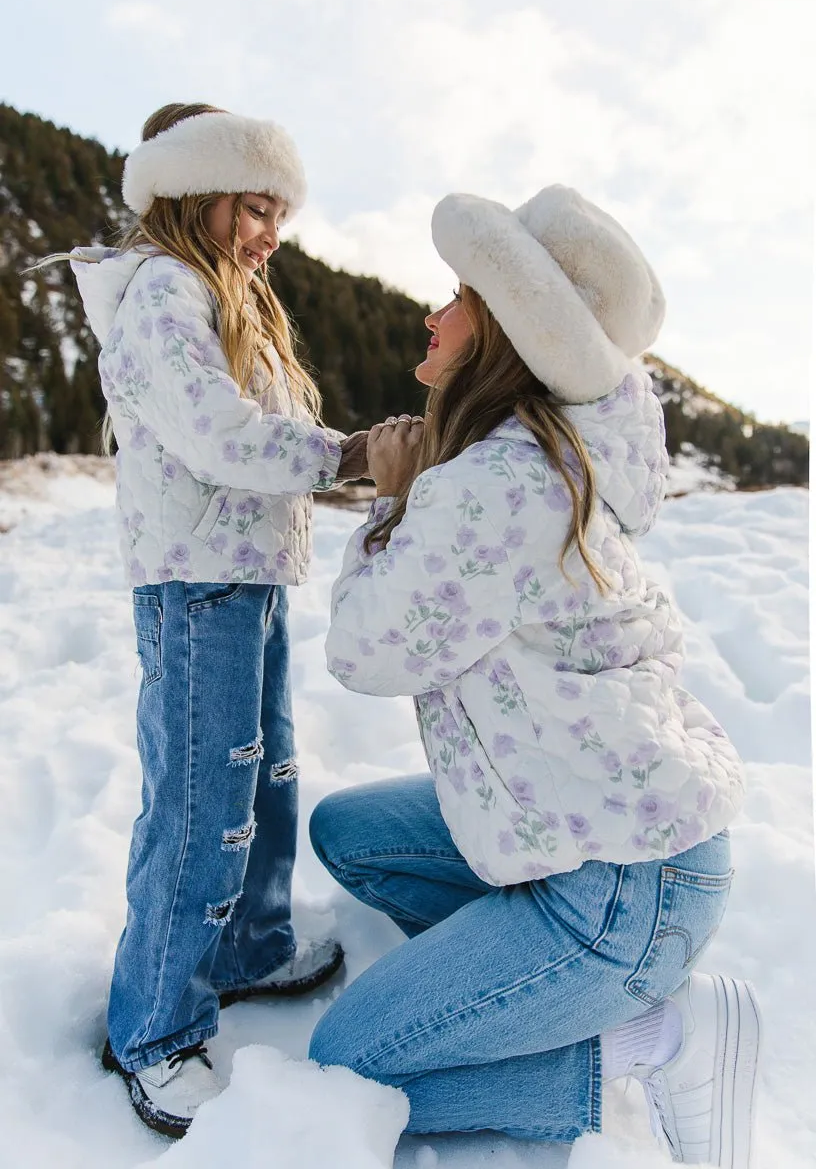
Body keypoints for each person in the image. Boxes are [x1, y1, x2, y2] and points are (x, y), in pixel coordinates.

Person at [309, 186, 761, 1167]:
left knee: (347, 1063)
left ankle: (652, 1037)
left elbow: (366, 652)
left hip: (617, 896)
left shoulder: (497, 488)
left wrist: (392, 504)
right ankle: (522, 987)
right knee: (351, 835)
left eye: (456, 295)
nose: (433, 315)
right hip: (615, 841)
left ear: (506, 330)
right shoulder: (529, 463)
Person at [59, 103, 371, 1137]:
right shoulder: (162, 294)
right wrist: (348, 456)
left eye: (280, 212)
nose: (271, 233)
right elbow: (221, 435)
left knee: (263, 772)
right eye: (254, 207)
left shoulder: (230, 297)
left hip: (247, 576)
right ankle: (154, 1026)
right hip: (196, 586)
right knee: (201, 797)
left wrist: (345, 452)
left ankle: (248, 942)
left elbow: (270, 426)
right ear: (195, 193)